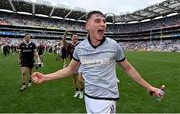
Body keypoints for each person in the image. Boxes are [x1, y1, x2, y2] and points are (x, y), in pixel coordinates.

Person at [31, 11, 164, 113]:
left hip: (107, 98)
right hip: (89, 97)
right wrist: (45, 77)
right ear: (87, 26)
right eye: (97, 21)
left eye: (104, 21)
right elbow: (70, 70)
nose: (103, 24)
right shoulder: (80, 48)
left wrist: (149, 87)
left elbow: (128, 68)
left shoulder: (113, 45)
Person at [62, 29, 83, 99]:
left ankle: (81, 91)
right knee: (74, 79)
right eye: (74, 36)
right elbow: (63, 40)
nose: (75, 38)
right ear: (71, 38)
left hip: (80, 64)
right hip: (73, 64)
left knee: (80, 79)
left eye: (76, 37)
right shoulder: (69, 45)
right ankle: (77, 91)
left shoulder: (80, 44)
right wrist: (66, 32)